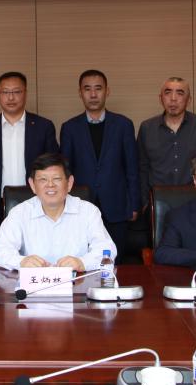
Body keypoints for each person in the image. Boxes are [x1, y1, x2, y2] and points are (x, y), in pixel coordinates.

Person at [59, 70, 140, 261]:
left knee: (115, 260)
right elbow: (65, 170)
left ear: (107, 91)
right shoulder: (69, 127)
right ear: (80, 93)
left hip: (116, 206)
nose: (93, 94)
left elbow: (132, 167)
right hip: (81, 206)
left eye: (98, 88)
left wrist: (134, 204)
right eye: (87, 89)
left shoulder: (123, 125)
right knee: (83, 260)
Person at [0, 153, 115, 271]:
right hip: (33, 285)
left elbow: (107, 249)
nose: (50, 185)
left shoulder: (88, 212)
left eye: (57, 179)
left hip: (77, 283)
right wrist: (21, 262)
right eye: (43, 179)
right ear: (32, 185)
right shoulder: (19, 213)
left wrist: (82, 263)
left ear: (69, 183)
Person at [0, 72, 59, 238]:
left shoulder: (43, 127)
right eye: (5, 92)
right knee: (0, 249)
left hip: (35, 202)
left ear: (25, 93)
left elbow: (54, 167)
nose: (11, 97)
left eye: (16, 91)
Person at [137, 76, 196, 219]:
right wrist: (144, 202)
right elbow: (142, 167)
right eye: (167, 92)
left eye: (180, 93)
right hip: (158, 202)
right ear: (160, 98)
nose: (173, 98)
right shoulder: (147, 127)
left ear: (189, 100)